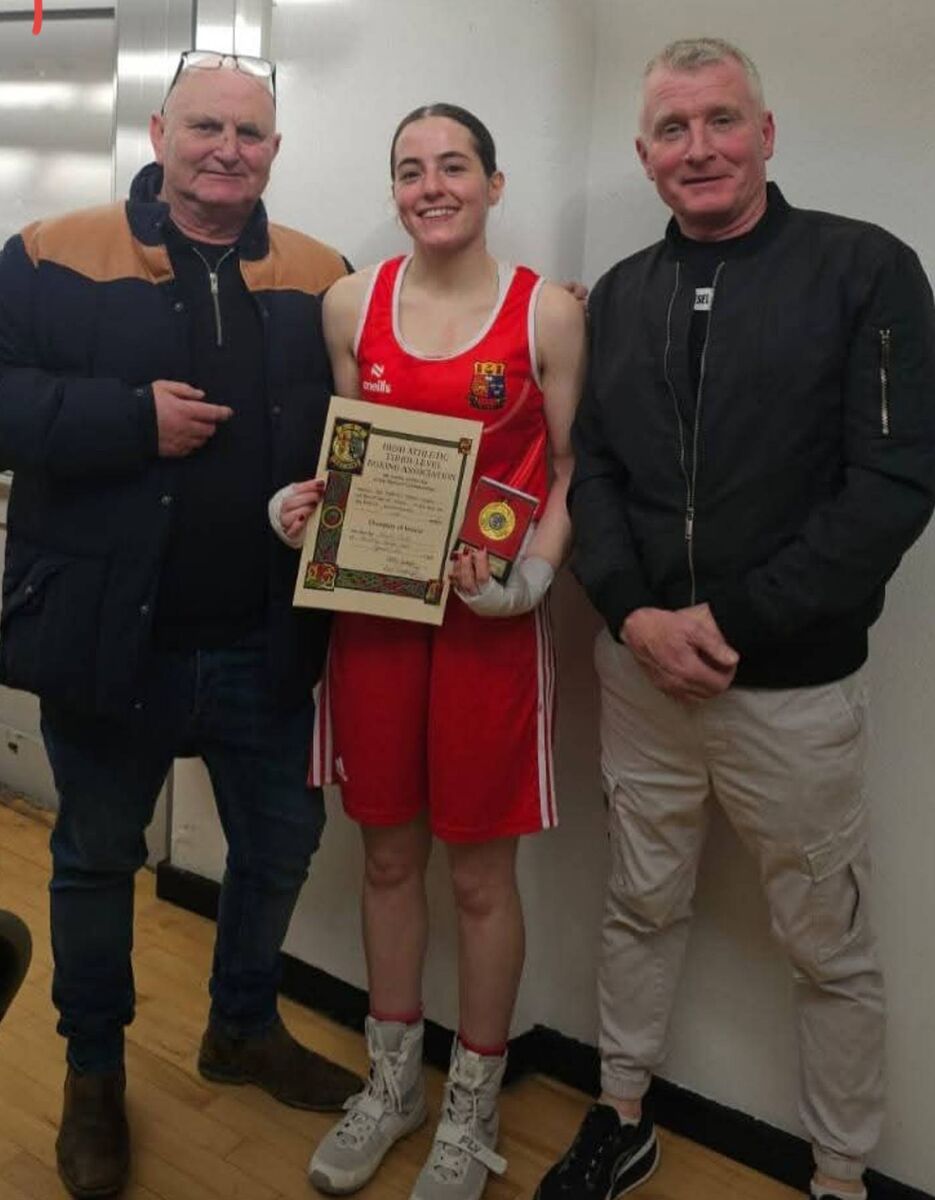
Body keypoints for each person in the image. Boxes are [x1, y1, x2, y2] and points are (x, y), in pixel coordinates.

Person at [536, 37, 935, 1200]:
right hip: (640, 679)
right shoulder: (619, 293)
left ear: (764, 133)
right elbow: (593, 471)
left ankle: (839, 1176)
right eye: (672, 128)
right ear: (644, 154)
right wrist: (632, 614)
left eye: (719, 121)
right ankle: (620, 1115)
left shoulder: (865, 271)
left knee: (830, 949)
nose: (697, 147)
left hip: (793, 692)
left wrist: (734, 622)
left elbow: (893, 483)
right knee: (636, 904)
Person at [0, 50, 362, 1199]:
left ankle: (240, 1028)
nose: (227, 151)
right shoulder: (52, 254)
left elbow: (367, 422)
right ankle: (94, 1077)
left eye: (250, 135)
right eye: (205, 127)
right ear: (159, 132)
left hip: (266, 640)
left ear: (274, 152)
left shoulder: (320, 274)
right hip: (112, 638)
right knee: (97, 863)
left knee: (280, 850)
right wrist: (123, 421)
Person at [271, 103, 586, 1200]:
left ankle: (471, 1110)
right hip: (374, 623)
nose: (431, 184)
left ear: (493, 184)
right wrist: (302, 507)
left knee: (480, 878)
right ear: (393, 189)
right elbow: (349, 458)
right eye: (410, 169)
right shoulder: (350, 304)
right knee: (389, 859)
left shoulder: (543, 309)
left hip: (488, 637)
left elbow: (567, 474)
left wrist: (530, 582)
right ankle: (391, 1083)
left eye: (454, 165)